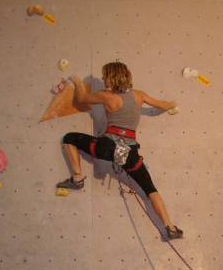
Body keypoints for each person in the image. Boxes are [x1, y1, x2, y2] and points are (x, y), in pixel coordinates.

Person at [56, 62, 183, 239]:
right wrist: (172, 103)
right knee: (150, 189)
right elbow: (161, 105)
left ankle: (77, 178)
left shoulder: (105, 95)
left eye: (104, 75)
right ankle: (170, 227)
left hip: (106, 147)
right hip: (129, 153)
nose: (102, 78)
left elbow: (82, 98)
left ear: (111, 77)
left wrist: (77, 81)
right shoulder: (139, 95)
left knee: (69, 138)